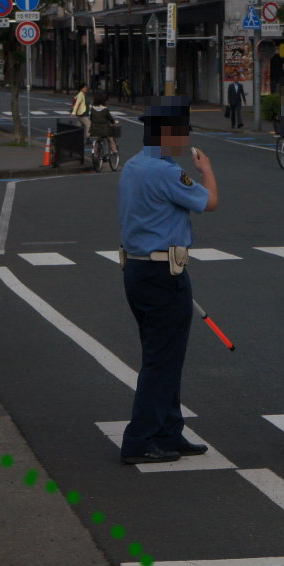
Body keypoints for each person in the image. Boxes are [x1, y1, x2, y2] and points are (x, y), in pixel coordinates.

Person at [117, 99, 219, 464]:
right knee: (162, 361)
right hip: (164, 273)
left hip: (137, 270)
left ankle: (169, 431)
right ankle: (140, 440)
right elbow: (209, 202)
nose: (187, 137)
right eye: (183, 131)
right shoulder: (166, 172)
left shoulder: (133, 165)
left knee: (162, 356)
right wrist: (206, 170)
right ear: (168, 134)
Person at [89, 92, 118, 160]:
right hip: (104, 129)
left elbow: (91, 118)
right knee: (110, 138)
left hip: (94, 129)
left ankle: (95, 154)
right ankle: (114, 151)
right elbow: (110, 118)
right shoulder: (105, 109)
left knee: (98, 139)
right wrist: (114, 122)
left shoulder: (92, 109)